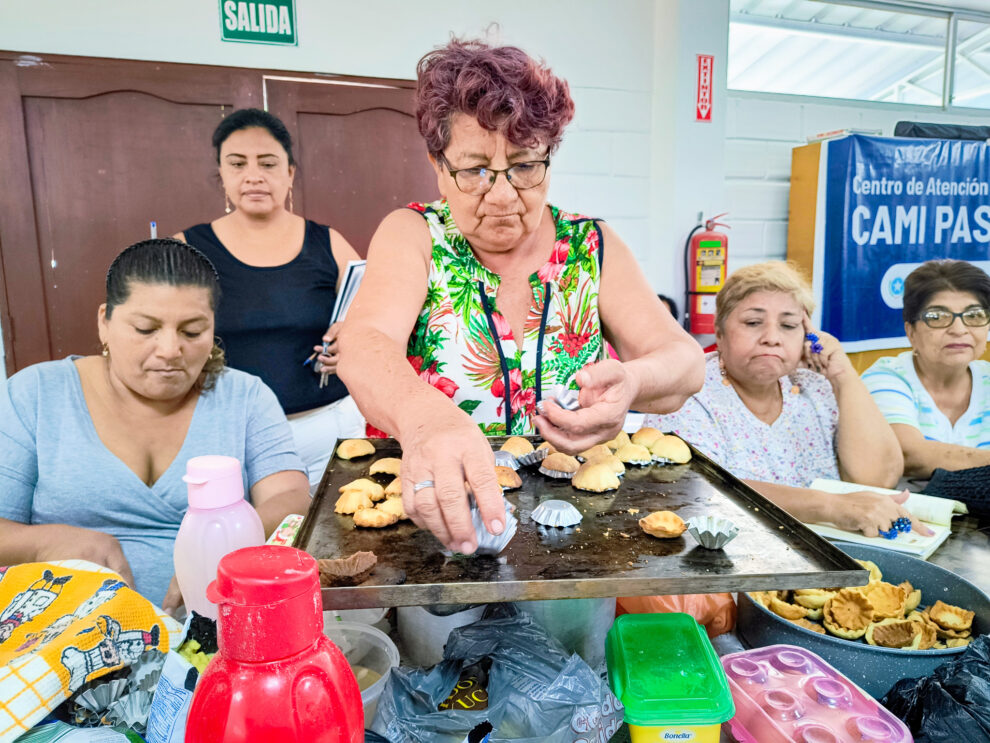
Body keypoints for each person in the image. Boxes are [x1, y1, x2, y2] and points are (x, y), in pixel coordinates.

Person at [338, 39, 704, 555]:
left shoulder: (591, 246)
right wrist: (425, 416)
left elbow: (686, 364)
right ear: (438, 165)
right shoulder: (415, 234)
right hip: (436, 521)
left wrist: (634, 381)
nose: (504, 195)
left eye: (526, 165)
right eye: (474, 170)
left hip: (576, 534)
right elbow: (364, 342)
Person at [0, 239, 311, 608]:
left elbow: (292, 499)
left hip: (220, 633)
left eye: (193, 331)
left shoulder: (245, 397)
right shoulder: (36, 394)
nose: (169, 349)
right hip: (58, 641)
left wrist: (222, 549)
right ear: (105, 322)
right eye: (146, 329)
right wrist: (47, 542)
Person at [646, 261, 929, 537]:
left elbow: (878, 479)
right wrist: (829, 506)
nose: (772, 337)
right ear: (719, 334)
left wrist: (843, 376)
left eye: (789, 325)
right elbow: (697, 489)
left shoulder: (815, 389)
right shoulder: (687, 393)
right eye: (753, 322)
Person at [176, 108, 363, 490]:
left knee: (338, 542)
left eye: (268, 163)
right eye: (238, 163)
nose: (254, 175)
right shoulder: (186, 249)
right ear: (222, 175)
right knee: (239, 545)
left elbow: (373, 322)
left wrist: (351, 341)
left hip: (327, 433)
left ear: (290, 173)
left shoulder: (328, 243)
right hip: (227, 442)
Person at [862, 259, 990, 477]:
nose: (959, 329)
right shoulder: (885, 377)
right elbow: (910, 455)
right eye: (937, 317)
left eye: (974, 315)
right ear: (911, 332)